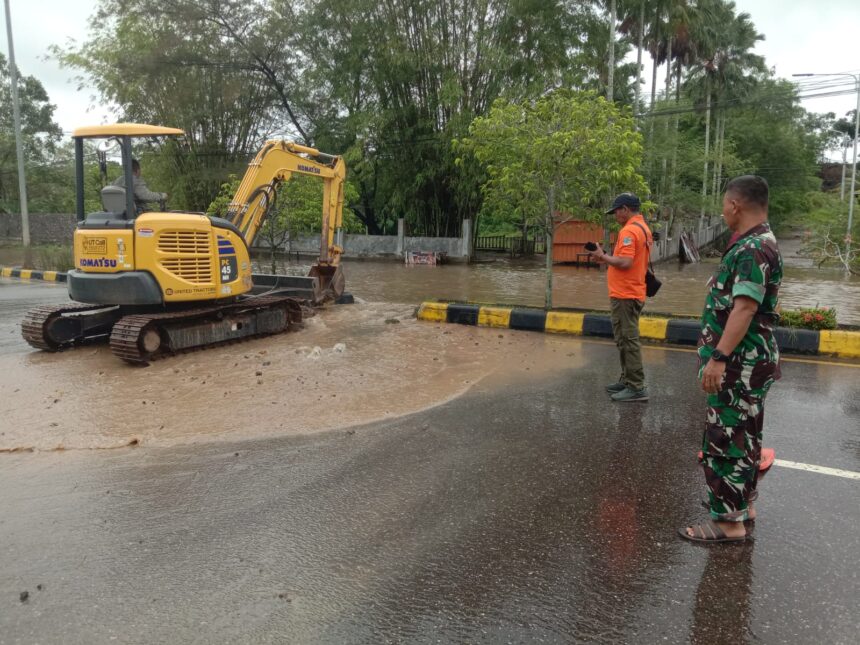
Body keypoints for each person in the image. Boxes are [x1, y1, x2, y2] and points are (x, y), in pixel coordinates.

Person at [679, 175, 782, 544]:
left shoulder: (753, 249)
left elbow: (744, 308)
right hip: (750, 363)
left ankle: (727, 523)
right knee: (747, 437)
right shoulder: (760, 243)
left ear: (735, 205)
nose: (722, 212)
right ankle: (744, 506)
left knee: (726, 439)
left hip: (739, 365)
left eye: (724, 205)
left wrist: (719, 358)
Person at [587, 192, 652, 403]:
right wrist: (606, 257)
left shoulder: (629, 231)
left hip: (626, 294)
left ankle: (636, 386)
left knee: (628, 340)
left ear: (625, 209)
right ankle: (627, 380)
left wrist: (602, 256)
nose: (615, 215)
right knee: (624, 340)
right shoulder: (642, 228)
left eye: (616, 211)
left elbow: (625, 262)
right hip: (631, 291)